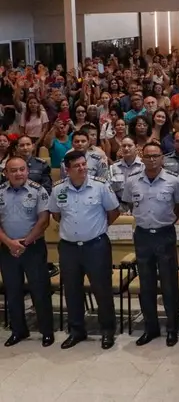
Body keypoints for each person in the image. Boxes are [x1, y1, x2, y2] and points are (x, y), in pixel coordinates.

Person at [49, 150, 120, 350]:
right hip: (69, 248)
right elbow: (56, 214)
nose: (82, 168)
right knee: (72, 290)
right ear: (67, 169)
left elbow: (113, 212)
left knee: (102, 290)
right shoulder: (58, 189)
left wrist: (98, 228)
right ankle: (76, 331)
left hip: (96, 246)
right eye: (76, 166)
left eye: (83, 164)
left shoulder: (100, 186)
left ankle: (107, 331)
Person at [121, 141, 179, 347]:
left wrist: (165, 222)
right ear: (142, 157)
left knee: (169, 285)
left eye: (155, 156)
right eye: (148, 156)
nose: (152, 160)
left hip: (165, 235)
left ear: (162, 158)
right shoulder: (132, 181)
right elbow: (130, 203)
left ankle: (172, 329)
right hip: (142, 236)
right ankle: (151, 328)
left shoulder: (173, 180)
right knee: (146, 284)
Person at [0, 156, 54, 347]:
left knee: (40, 290)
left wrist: (25, 242)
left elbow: (44, 220)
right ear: (5, 173)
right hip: (7, 249)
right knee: (13, 291)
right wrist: (10, 243)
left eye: (22, 169)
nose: (18, 173)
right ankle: (18, 331)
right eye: (13, 170)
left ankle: (46, 331)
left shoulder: (38, 190)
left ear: (27, 171)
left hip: (33, 248)